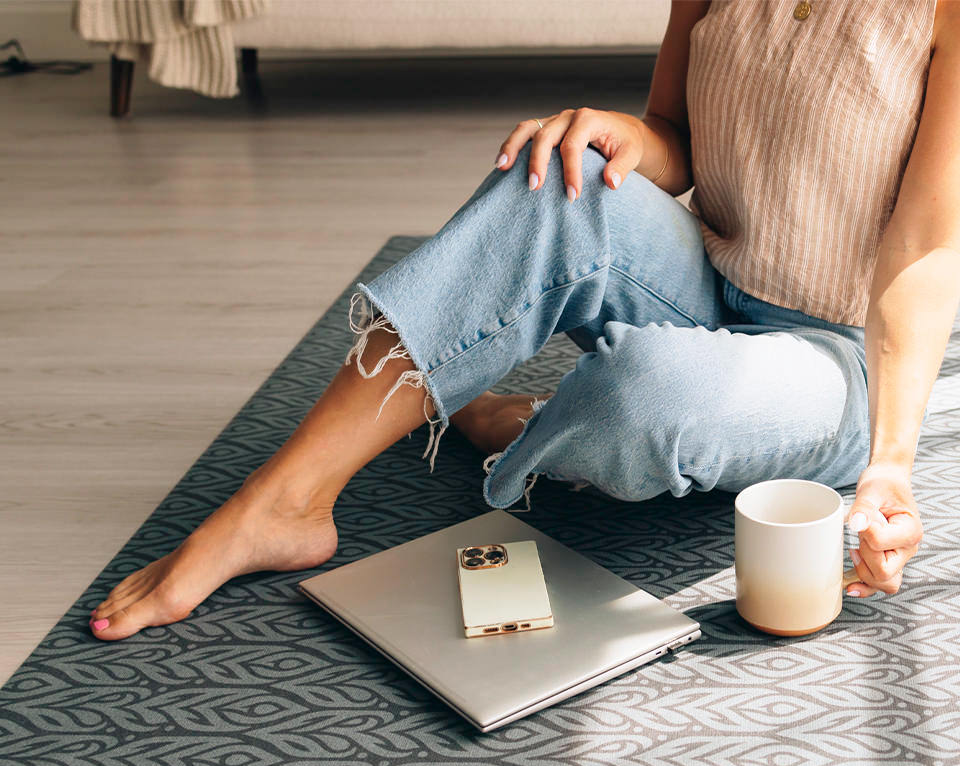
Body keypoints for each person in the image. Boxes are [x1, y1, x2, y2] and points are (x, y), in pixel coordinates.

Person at [89, 0, 960, 642]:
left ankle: (528, 423)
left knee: (645, 394)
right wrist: (617, 132)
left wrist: (888, 463)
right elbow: (675, 138)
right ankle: (284, 502)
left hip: (836, 355)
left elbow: (924, 243)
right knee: (559, 172)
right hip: (704, 277)